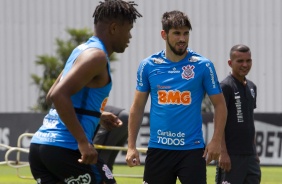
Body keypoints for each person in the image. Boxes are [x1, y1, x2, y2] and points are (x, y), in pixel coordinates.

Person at [28, 1, 142, 183]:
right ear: (114, 28)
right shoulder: (96, 57)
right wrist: (83, 141)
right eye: (128, 29)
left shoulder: (80, 51)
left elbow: (51, 95)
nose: (129, 36)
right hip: (65, 148)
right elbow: (58, 95)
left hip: (41, 147)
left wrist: (96, 114)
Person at [126, 10, 227, 184]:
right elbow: (137, 107)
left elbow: (220, 105)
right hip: (158, 149)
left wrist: (216, 140)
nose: (182, 39)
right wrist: (131, 146)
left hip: (192, 150)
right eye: (177, 33)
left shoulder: (203, 65)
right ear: (164, 34)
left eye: (186, 33)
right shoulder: (148, 66)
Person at [216, 44, 261, 184]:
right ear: (230, 63)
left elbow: (249, 121)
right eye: (240, 61)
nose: (245, 64)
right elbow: (218, 120)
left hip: (250, 157)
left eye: (248, 61)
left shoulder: (252, 87)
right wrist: (223, 153)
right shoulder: (225, 86)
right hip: (231, 155)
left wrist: (254, 152)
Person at [93, 105, 129, 172]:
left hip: (115, 117)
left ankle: (100, 180)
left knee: (97, 157)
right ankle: (108, 180)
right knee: (108, 161)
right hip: (125, 117)